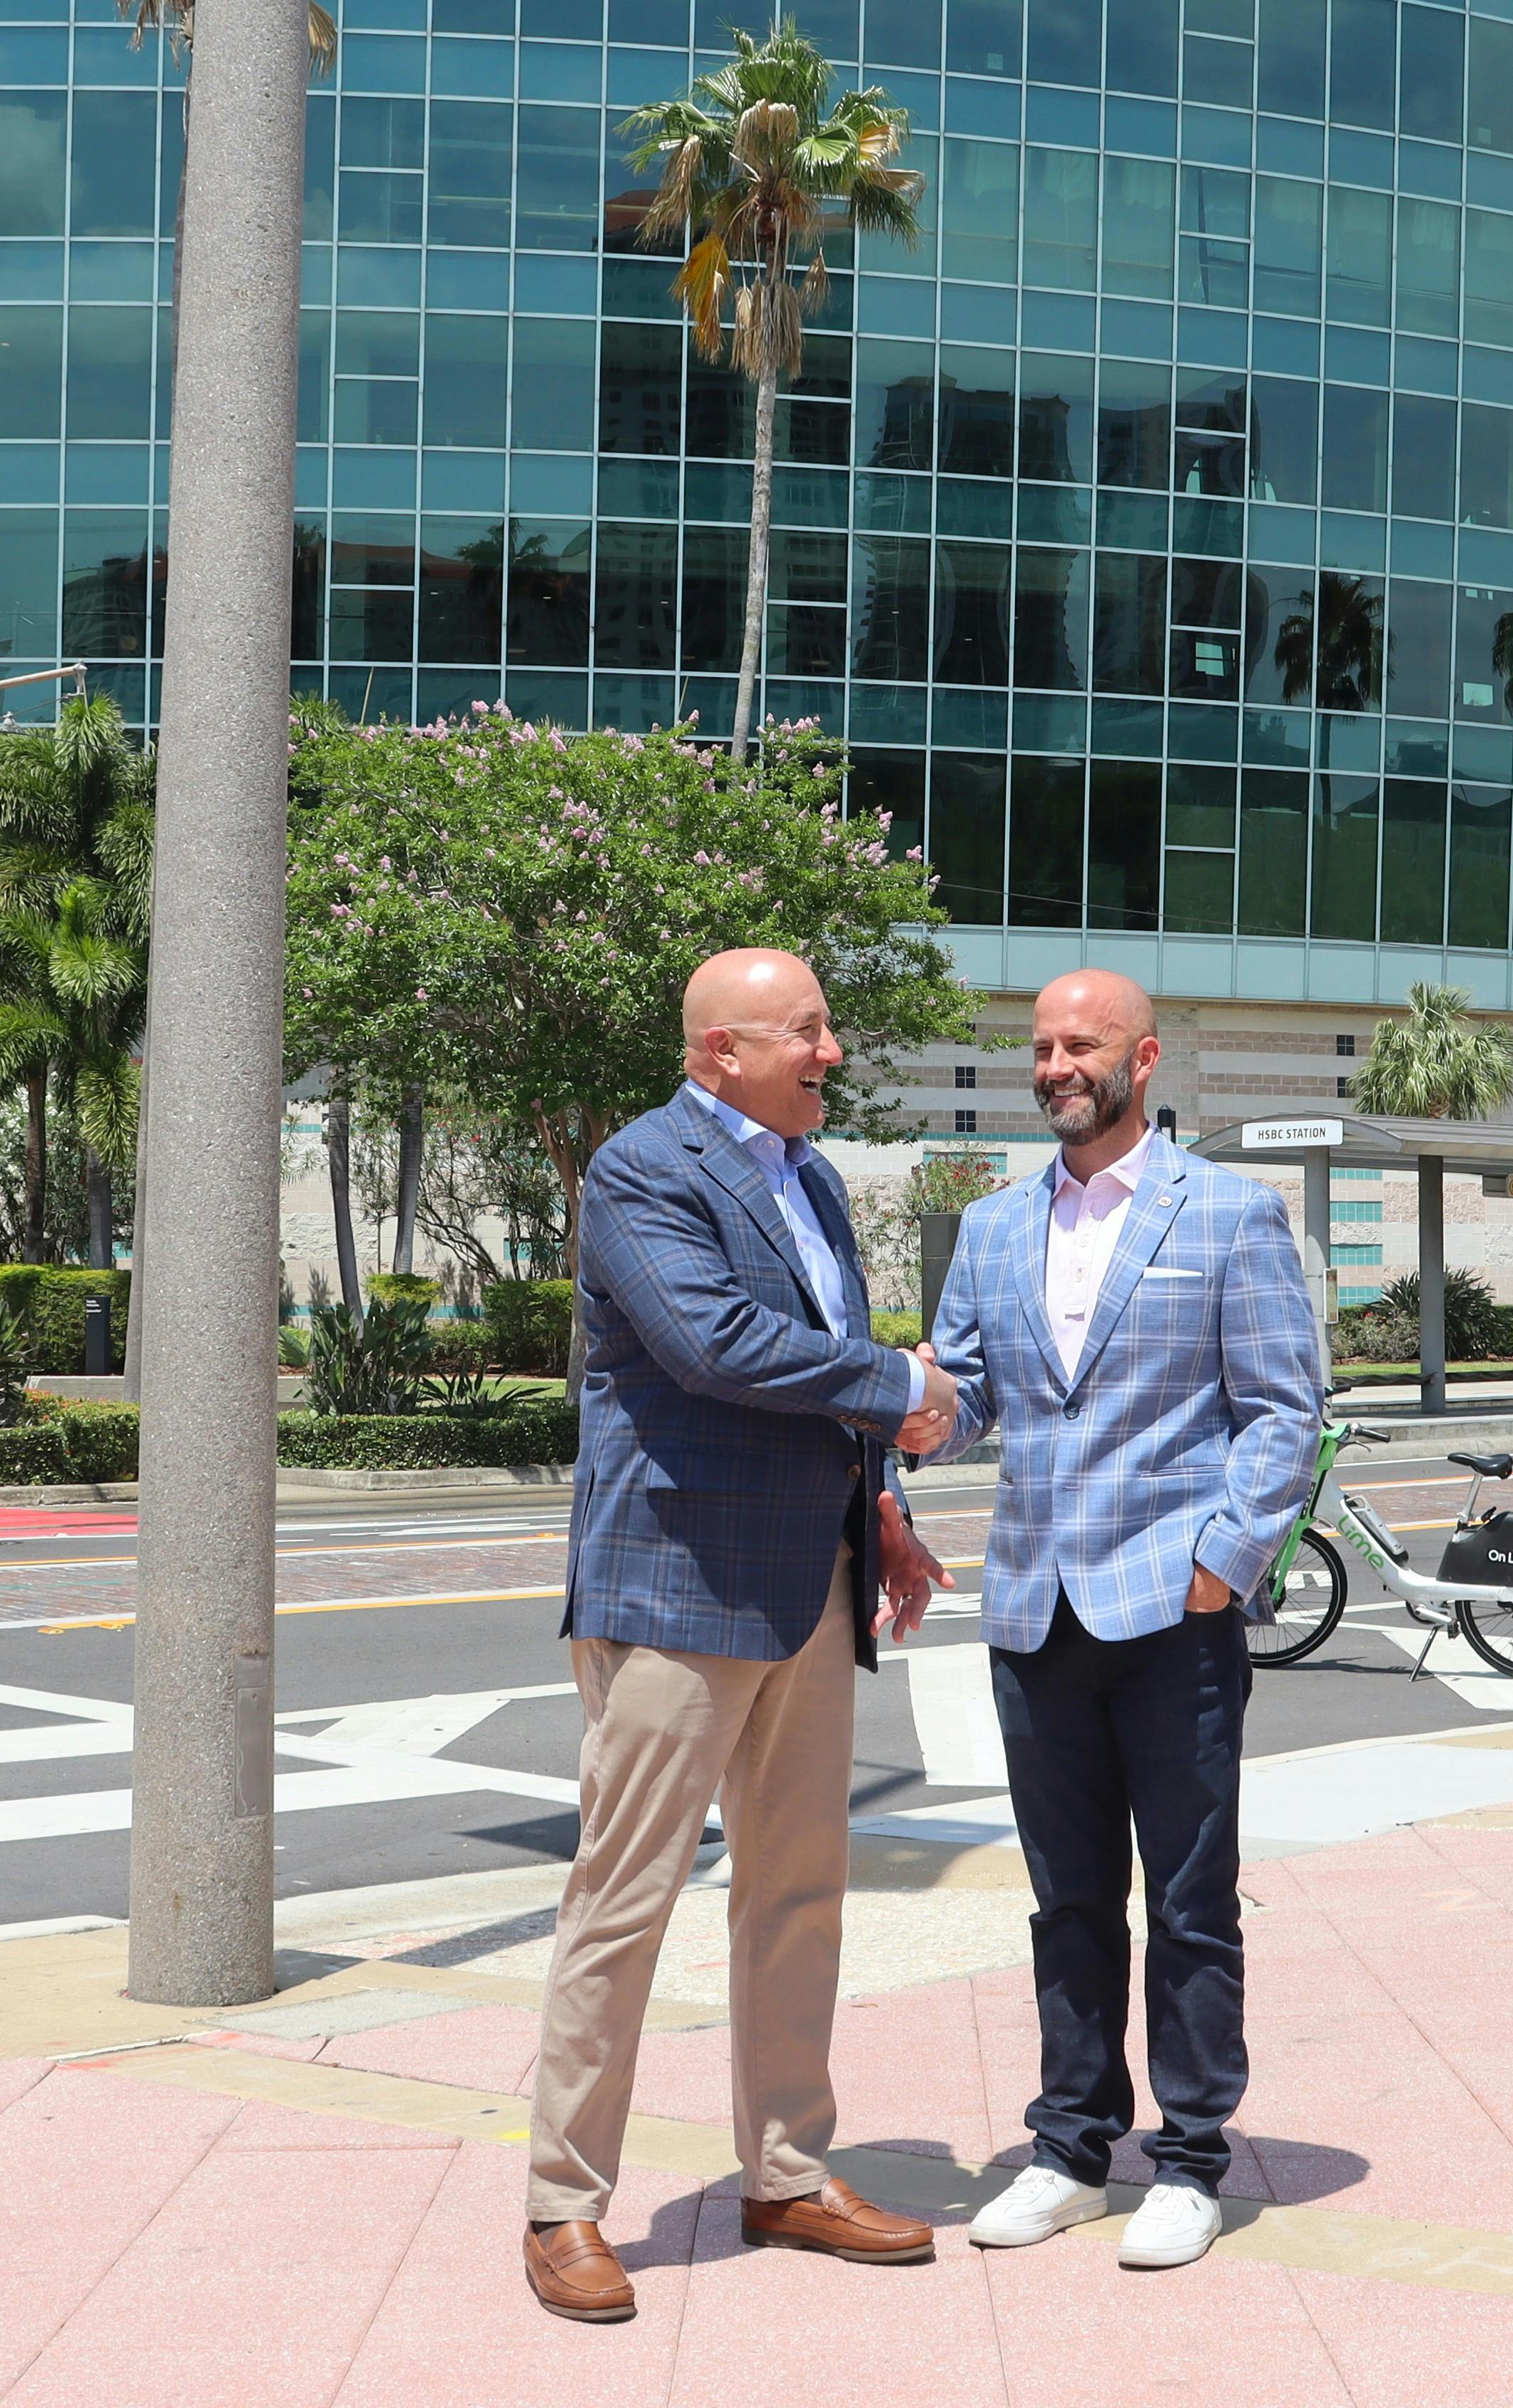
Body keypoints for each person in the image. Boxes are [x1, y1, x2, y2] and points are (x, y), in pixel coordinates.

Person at [519, 945, 964, 2325]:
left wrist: (880, 1502)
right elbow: (714, 1343)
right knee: (624, 1900)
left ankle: (784, 2169)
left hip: (809, 1586)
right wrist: (901, 1384)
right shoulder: (643, 1173)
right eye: (809, 1033)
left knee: (798, 1891)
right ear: (722, 1052)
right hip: (676, 1586)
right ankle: (563, 2205)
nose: (832, 1054)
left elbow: (817, 1355)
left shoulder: (812, 1175)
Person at [915, 967, 1322, 2272]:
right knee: (1066, 1902)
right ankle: (1070, 2150)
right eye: (1040, 1047)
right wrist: (915, 1412)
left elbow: (1281, 1412)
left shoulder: (1233, 1216)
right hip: (1035, 1606)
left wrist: (1225, 1558)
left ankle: (1192, 2160)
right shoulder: (990, 1227)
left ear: (1142, 1060)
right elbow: (969, 1393)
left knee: (1193, 1902)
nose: (1054, 1067)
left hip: (1174, 1613)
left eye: (1078, 1045)